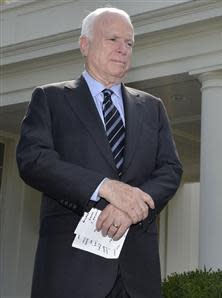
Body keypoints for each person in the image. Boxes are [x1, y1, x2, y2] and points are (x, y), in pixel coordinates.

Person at [16, 7, 182, 298]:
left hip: (137, 274)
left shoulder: (152, 107)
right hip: (71, 273)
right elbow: (34, 160)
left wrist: (131, 207)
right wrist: (104, 188)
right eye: (113, 39)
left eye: (129, 43)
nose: (123, 49)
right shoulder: (50, 98)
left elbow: (170, 170)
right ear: (85, 44)